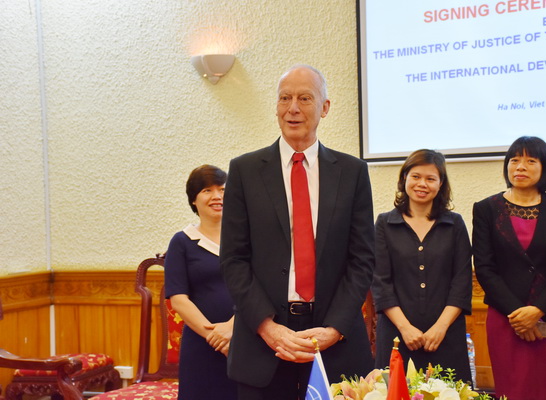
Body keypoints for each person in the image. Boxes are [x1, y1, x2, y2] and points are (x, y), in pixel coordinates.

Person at [220, 64, 375, 399]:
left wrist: (335, 328)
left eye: (305, 98)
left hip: (335, 344)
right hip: (263, 344)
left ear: (325, 107)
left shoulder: (352, 173)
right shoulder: (245, 171)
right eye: (284, 98)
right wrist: (267, 327)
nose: (292, 108)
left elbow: (362, 259)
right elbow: (233, 259)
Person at [472, 136, 546, 400]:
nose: (520, 166)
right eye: (514, 160)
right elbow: (485, 268)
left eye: (530, 160)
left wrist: (538, 311)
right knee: (514, 389)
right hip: (506, 317)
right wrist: (518, 315)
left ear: (545, 168)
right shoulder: (486, 209)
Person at [372, 149, 473, 383]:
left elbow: (462, 281)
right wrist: (405, 328)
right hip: (397, 335)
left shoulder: (454, 224)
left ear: (441, 184)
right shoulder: (385, 223)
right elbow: (380, 283)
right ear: (404, 178)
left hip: (445, 335)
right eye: (416, 176)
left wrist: (440, 328)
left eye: (430, 178)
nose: (422, 184)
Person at [164, 165, 237, 400]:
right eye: (207, 190)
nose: (217, 196)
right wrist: (215, 337)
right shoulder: (182, 242)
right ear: (193, 200)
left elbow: (261, 288)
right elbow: (179, 299)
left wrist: (232, 327)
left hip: (245, 339)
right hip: (201, 346)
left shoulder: (245, 238)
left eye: (222, 190)